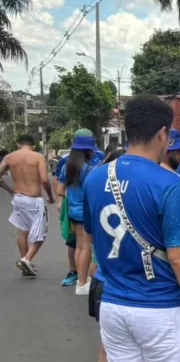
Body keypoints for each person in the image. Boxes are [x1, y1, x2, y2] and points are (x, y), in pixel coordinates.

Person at [82, 95, 180, 361]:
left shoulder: (95, 177)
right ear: (163, 133)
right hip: (162, 309)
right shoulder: (169, 184)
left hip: (114, 305)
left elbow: (91, 236)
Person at [88, 147, 125, 362]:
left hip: (102, 280)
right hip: (126, 288)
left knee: (107, 347)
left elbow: (91, 238)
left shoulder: (95, 186)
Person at [0, 134, 55, 276]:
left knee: (23, 230)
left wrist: (9, 189)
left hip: (18, 198)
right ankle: (26, 259)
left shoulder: (9, 157)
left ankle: (25, 264)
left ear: (18, 144)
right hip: (33, 199)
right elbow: (44, 180)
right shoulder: (37, 157)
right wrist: (50, 196)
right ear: (34, 145)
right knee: (41, 232)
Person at [57, 128, 105, 287]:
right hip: (86, 211)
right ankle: (83, 282)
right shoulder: (89, 169)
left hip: (73, 210)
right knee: (86, 248)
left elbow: (60, 190)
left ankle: (79, 277)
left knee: (78, 246)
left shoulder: (67, 166)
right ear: (89, 151)